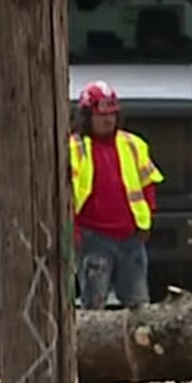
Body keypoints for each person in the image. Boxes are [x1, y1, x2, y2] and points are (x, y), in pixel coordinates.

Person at [68, 81, 164, 309]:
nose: (107, 120)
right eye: (101, 115)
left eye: (111, 114)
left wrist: (147, 219)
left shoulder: (133, 144)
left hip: (131, 238)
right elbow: (66, 194)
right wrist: (73, 231)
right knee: (93, 305)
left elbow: (148, 184)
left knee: (139, 304)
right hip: (94, 238)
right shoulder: (75, 148)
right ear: (87, 116)